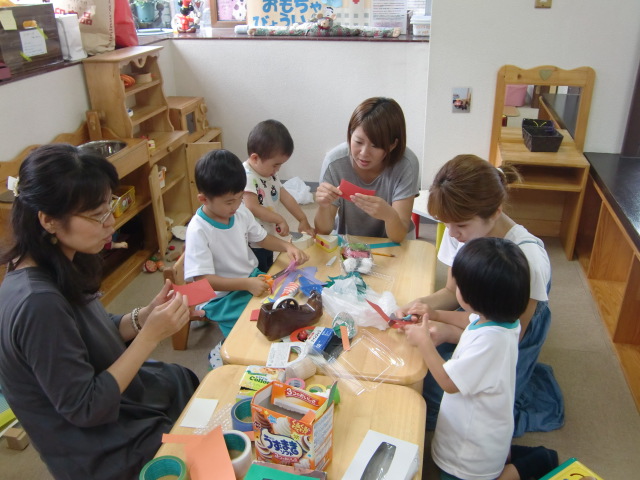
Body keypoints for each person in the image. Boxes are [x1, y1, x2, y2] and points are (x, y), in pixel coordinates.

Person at [0, 144, 198, 480]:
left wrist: (144, 317)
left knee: (180, 379)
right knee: (187, 445)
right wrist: (151, 336)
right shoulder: (37, 303)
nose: (111, 223)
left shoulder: (56, 261)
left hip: (106, 400)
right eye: (97, 215)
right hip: (92, 445)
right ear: (48, 220)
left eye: (110, 208)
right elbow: (85, 407)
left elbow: (91, 329)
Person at [396, 154, 564, 436]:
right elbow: (452, 291)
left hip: (512, 329)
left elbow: (508, 337)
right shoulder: (459, 229)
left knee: (450, 398)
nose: (452, 234)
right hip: (480, 314)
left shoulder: (528, 261)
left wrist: (448, 332)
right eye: (446, 224)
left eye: (460, 226)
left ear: (495, 212)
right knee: (417, 365)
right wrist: (420, 306)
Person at [404, 237, 558, 480]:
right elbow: (469, 319)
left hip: (471, 455)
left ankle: (525, 466)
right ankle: (529, 459)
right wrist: (434, 314)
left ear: (472, 297)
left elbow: (448, 382)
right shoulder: (501, 319)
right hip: (487, 429)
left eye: (459, 286)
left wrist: (424, 343)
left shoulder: (491, 342)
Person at [184, 149, 309, 365]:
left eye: (240, 197)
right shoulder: (199, 229)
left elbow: (261, 238)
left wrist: (286, 246)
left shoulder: (239, 211)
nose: (236, 205)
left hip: (251, 278)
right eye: (229, 202)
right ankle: (222, 352)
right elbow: (202, 281)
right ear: (204, 199)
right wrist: (246, 284)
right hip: (221, 297)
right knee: (252, 332)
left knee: (286, 304)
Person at [314, 97, 420, 242]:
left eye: (375, 145)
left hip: (394, 242)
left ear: (392, 145)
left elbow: (399, 236)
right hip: (349, 241)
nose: (364, 153)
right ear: (350, 134)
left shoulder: (406, 164)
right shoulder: (334, 162)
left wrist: (390, 216)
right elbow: (323, 231)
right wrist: (323, 206)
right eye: (358, 142)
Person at [243, 119, 315, 272]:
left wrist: (302, 219)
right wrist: (279, 219)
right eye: (275, 164)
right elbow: (252, 206)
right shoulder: (247, 176)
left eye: (280, 165)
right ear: (255, 158)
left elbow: (284, 196)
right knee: (259, 274)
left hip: (267, 237)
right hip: (252, 242)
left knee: (269, 268)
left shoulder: (269, 173)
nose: (277, 170)